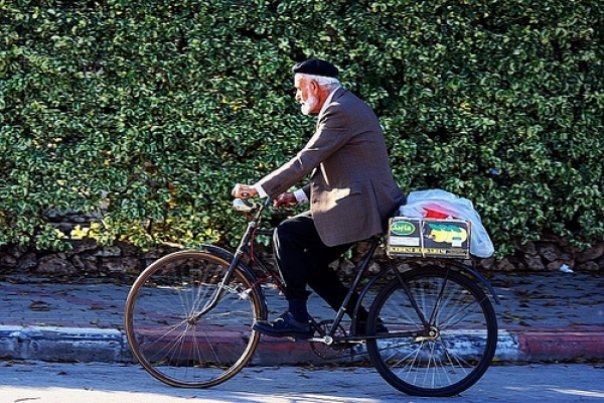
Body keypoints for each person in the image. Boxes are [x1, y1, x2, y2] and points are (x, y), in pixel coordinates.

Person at [232, 59, 405, 338]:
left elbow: (306, 160)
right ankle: (365, 321)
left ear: (314, 85)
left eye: (298, 88)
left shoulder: (339, 111)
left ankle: (297, 318)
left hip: (360, 207)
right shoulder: (345, 106)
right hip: (362, 202)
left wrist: (260, 189)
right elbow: (342, 168)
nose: (297, 95)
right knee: (309, 267)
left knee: (286, 234)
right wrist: (296, 196)